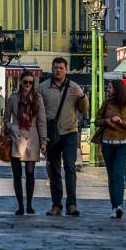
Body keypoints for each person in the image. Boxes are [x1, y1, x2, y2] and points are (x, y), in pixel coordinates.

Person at [36, 57, 89, 216]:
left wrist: (82, 96)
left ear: (66, 69)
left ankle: (71, 204)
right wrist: (42, 138)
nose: (58, 70)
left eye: (61, 68)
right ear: (52, 69)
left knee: (70, 168)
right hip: (51, 134)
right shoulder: (42, 88)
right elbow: (37, 114)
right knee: (54, 170)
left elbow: (84, 110)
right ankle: (56, 204)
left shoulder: (74, 87)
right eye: (55, 68)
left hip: (70, 132)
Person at [4, 72, 47, 215]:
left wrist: (43, 141)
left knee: (30, 173)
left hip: (32, 136)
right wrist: (10, 127)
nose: (28, 85)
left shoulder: (37, 98)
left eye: (30, 82)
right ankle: (20, 206)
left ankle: (29, 204)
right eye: (25, 82)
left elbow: (42, 121)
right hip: (16, 136)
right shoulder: (13, 98)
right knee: (17, 174)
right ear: (21, 83)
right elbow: (6, 117)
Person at [97, 79, 126, 219]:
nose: (107, 90)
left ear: (116, 89)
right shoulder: (106, 103)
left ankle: (119, 205)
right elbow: (97, 120)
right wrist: (106, 121)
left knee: (118, 174)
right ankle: (114, 206)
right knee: (111, 176)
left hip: (122, 143)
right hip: (107, 143)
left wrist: (121, 122)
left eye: (109, 87)